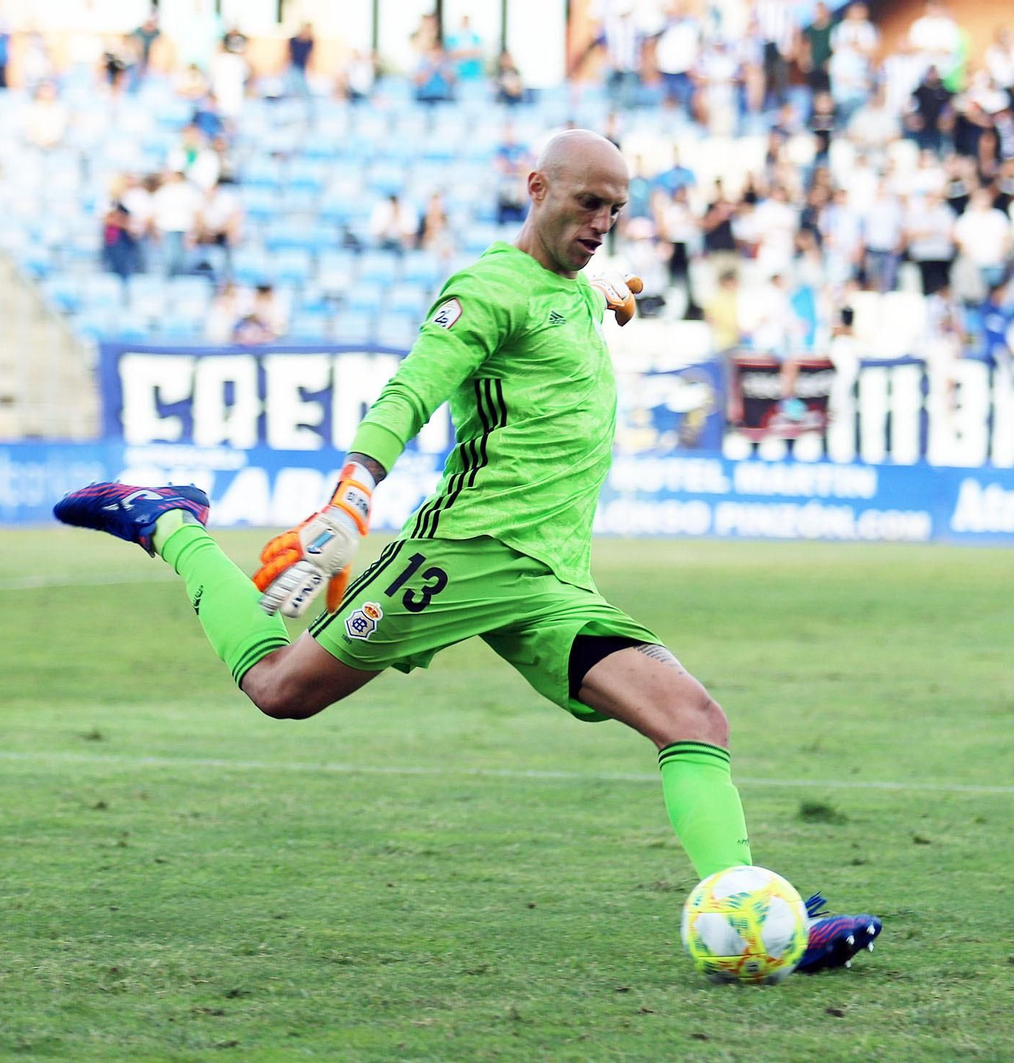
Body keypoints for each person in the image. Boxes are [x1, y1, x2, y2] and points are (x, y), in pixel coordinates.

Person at [53, 130, 881, 975]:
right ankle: (171, 523)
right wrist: (353, 491)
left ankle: (749, 908)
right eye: (586, 203)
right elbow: (412, 389)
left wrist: (600, 289)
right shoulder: (488, 288)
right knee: (280, 690)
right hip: (463, 556)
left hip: (551, 582)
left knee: (695, 719)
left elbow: (574, 294)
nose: (601, 222)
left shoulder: (573, 285)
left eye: (615, 210)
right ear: (537, 187)